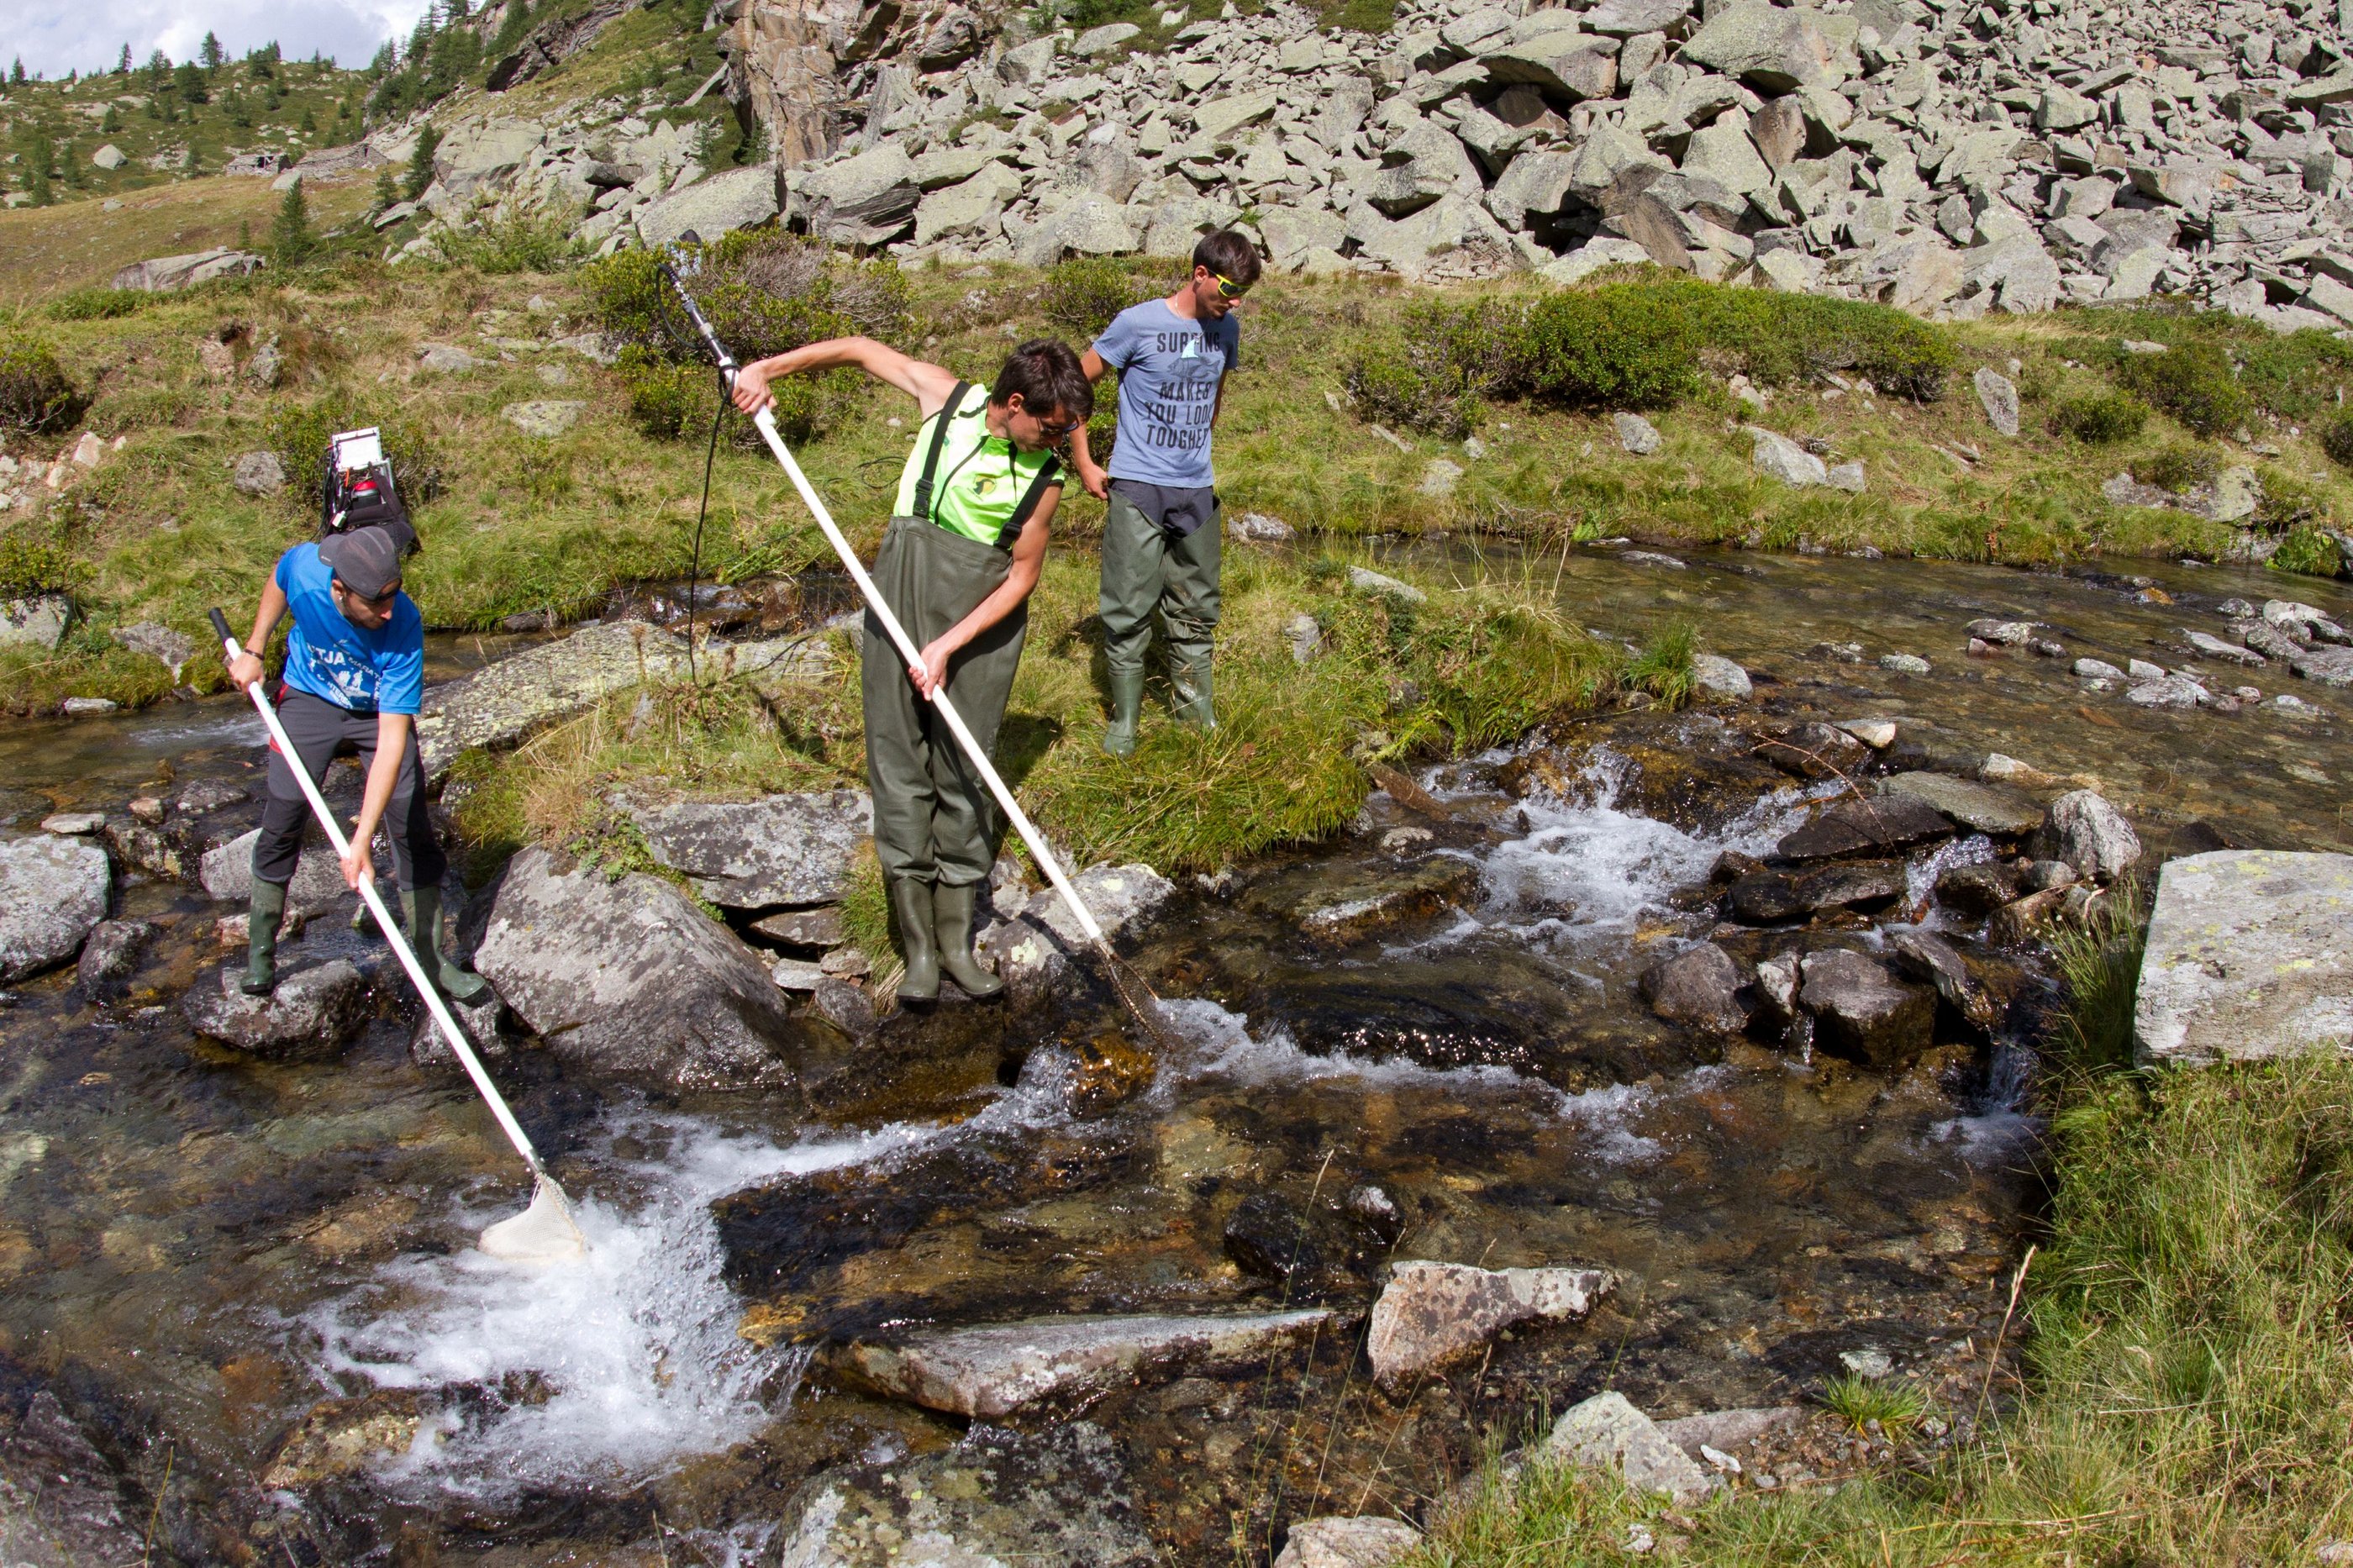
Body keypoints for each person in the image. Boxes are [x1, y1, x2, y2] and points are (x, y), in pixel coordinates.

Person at [729, 336, 1093, 1006]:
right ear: (1014, 404)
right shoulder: (944, 399)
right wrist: (763, 369)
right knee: (898, 765)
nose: (1062, 440)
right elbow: (860, 350)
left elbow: (1021, 579)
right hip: (897, 602)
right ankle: (918, 949)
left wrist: (949, 645)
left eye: (1069, 429)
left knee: (964, 770)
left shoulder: (1047, 480)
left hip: (979, 629)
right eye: (1053, 427)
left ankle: (958, 943)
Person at [227, 524, 487, 1002]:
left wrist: (362, 837)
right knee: (284, 816)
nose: (388, 611)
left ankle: (432, 960)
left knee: (409, 823)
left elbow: (392, 738)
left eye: (393, 597)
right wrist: (254, 649)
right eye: (376, 603)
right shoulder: (307, 571)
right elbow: (280, 578)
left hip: (375, 714)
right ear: (340, 590)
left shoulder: (403, 624)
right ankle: (260, 954)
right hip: (310, 697)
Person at [1069, 229, 1261, 755]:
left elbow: (1216, 392)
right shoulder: (1137, 322)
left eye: (1243, 291)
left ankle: (1195, 713)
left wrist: (1196, 450)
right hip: (1138, 485)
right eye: (1228, 288)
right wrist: (1084, 460)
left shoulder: (1228, 329)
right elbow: (1075, 387)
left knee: (1197, 606)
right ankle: (1125, 721)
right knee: (1128, 607)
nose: (1235, 301)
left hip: (1197, 487)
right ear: (1200, 274)